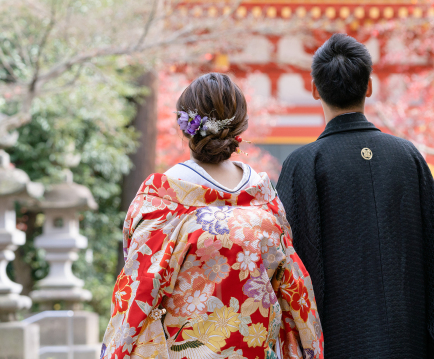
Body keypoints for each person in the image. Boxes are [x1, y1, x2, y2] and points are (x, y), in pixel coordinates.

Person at [101, 73, 323, 359]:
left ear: (185, 127)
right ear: (239, 127)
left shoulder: (162, 199)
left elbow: (139, 287)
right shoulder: (265, 199)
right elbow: (292, 288)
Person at [276, 34, 434, 359]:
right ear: (369, 87)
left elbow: (290, 270)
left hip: (337, 342)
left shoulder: (304, 164)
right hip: (410, 343)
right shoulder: (409, 157)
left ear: (315, 90)